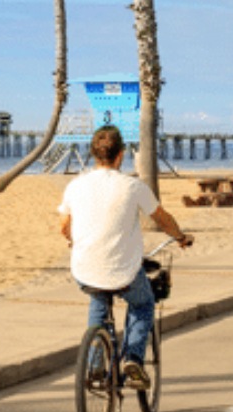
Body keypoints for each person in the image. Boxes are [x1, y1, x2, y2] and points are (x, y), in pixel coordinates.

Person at [58, 126, 193, 389]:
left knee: (98, 302)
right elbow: (163, 219)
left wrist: (73, 240)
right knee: (143, 304)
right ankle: (133, 359)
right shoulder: (133, 186)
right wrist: (180, 237)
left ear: (93, 154)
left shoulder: (75, 186)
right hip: (124, 273)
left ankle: (96, 366)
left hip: (84, 268)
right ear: (120, 155)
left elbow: (64, 226)